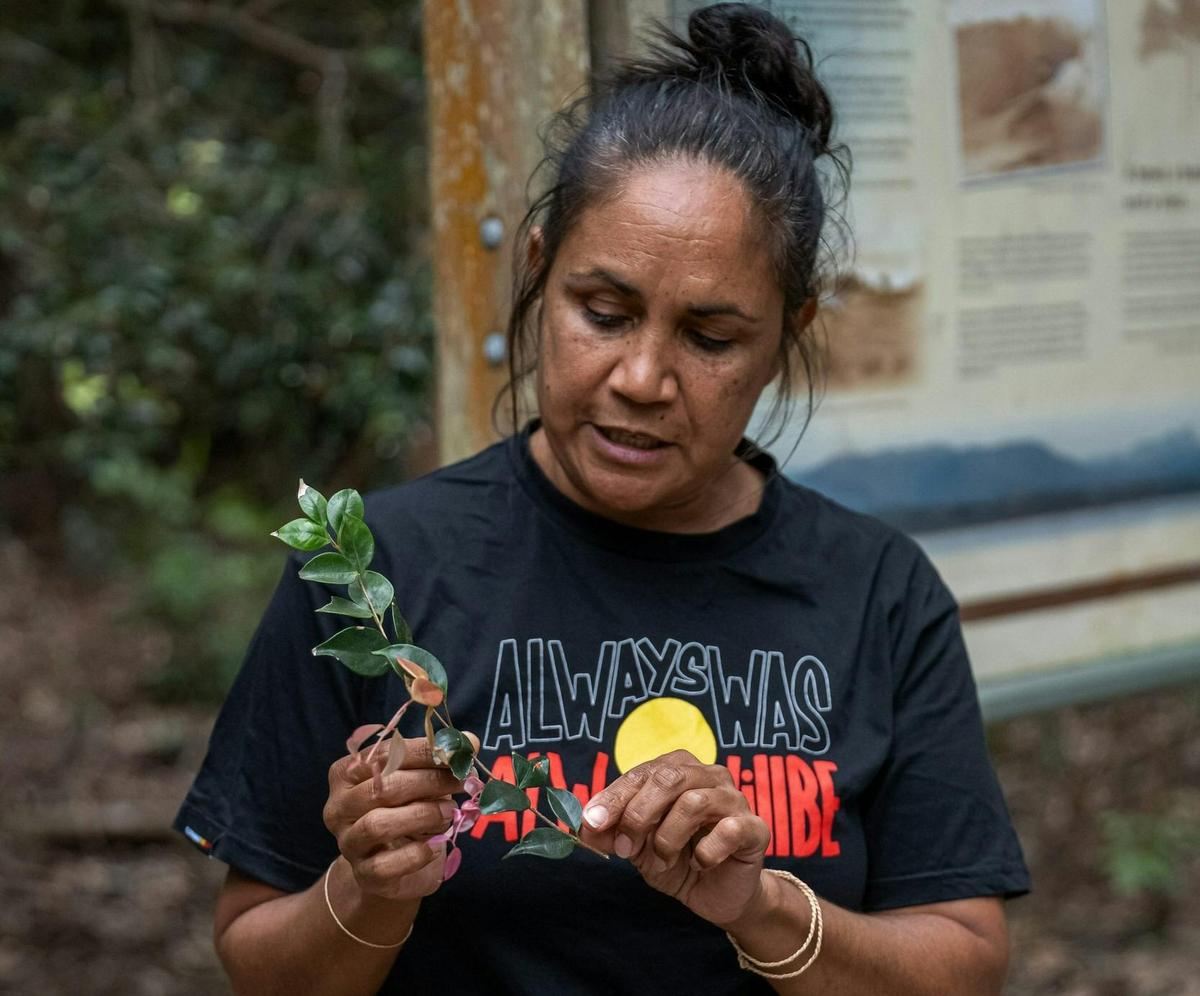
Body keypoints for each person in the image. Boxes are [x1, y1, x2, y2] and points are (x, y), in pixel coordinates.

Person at [175, 5, 1030, 993]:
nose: (642, 377)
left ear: (786, 335)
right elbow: (256, 957)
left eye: (711, 337)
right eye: (605, 312)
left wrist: (760, 908)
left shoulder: (877, 591)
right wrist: (370, 890)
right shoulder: (373, 573)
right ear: (540, 272)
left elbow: (963, 963)